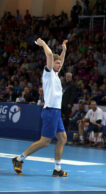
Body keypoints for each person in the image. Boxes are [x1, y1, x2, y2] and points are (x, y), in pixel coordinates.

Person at [12, 38, 69, 177]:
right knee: (45, 142)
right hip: (50, 111)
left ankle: (57, 169)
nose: (59, 64)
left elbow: (59, 60)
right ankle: (19, 159)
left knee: (62, 138)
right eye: (57, 63)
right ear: (51, 64)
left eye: (60, 63)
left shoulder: (55, 74)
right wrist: (43, 43)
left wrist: (64, 50)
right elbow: (49, 55)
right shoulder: (48, 73)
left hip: (56, 112)